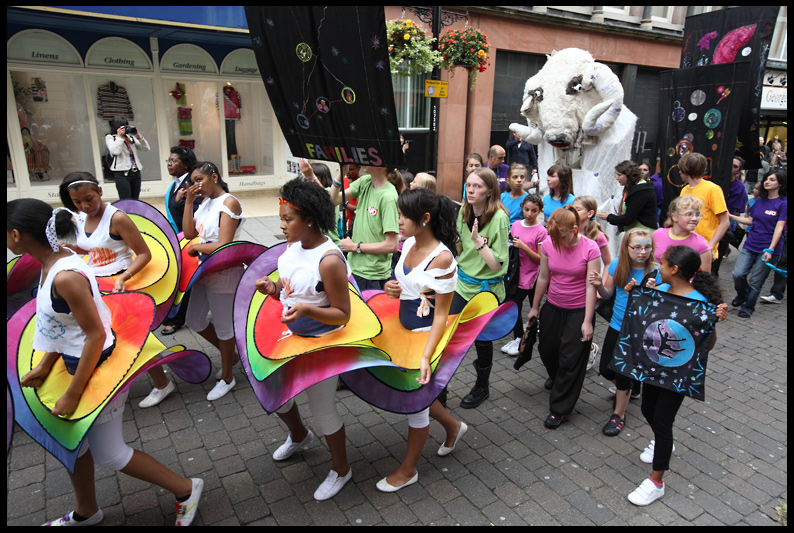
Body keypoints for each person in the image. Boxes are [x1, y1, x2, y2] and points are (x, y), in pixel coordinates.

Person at [8, 199, 202, 526]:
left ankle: (186, 488)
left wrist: (72, 392)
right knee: (74, 442)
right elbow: (60, 324)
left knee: (110, 453)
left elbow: (94, 336)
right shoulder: (57, 260)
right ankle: (86, 511)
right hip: (75, 360)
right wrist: (44, 365)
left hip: (100, 366)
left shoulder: (64, 275)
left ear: (15, 235)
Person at [254, 178, 354, 501]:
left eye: (287, 219)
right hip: (292, 334)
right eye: (281, 218)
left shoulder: (329, 260)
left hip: (322, 340)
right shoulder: (292, 246)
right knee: (275, 392)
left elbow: (342, 313)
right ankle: (299, 435)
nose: (281, 225)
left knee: (323, 409)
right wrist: (275, 292)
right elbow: (293, 292)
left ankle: (341, 469)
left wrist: (307, 313)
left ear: (309, 218)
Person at [57, 172, 176, 409]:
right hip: (95, 285)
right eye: (77, 202)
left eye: (89, 199)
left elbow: (144, 253)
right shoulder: (80, 217)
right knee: (108, 338)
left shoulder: (117, 218)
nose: (84, 206)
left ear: (100, 191)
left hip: (121, 286)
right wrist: (71, 248)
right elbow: (94, 249)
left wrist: (125, 276)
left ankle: (162, 383)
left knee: (132, 338)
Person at [378, 188, 468, 492]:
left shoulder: (442, 259)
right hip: (401, 331)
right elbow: (408, 288)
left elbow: (441, 315)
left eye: (404, 216)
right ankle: (454, 427)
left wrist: (426, 356)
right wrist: (393, 289)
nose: (398, 221)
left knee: (414, 402)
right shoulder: (407, 245)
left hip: (425, 338)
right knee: (418, 398)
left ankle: (409, 470)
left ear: (425, 218)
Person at [626, 245, 727, 506]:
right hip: (652, 369)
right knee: (648, 410)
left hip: (678, 375)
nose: (658, 266)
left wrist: (714, 322)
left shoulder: (701, 304)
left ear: (674, 270)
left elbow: (708, 344)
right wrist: (635, 296)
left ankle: (656, 481)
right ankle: (663, 443)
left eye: (662, 263)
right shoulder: (660, 291)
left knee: (662, 421)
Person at [528, 206, 600, 428]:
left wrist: (587, 321)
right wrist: (535, 307)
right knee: (547, 349)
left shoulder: (591, 248)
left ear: (575, 229)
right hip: (553, 306)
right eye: (553, 235)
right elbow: (543, 277)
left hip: (579, 310)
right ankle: (559, 379)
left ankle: (559, 409)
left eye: (562, 235)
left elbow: (591, 287)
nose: (558, 240)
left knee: (570, 360)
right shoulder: (550, 244)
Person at [182, 161, 246, 400]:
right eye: (193, 182)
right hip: (204, 270)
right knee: (193, 319)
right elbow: (189, 233)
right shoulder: (205, 203)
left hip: (225, 271)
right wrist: (189, 202)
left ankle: (228, 376)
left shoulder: (229, 202)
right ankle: (233, 358)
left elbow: (224, 245)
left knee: (223, 327)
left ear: (214, 177)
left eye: (200, 180)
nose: (196, 185)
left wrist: (197, 247)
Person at [589, 228, 659, 436]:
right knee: (606, 369)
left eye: (647, 247)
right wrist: (600, 285)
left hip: (639, 331)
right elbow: (608, 294)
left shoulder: (657, 271)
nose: (642, 251)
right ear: (626, 247)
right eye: (636, 247)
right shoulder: (618, 264)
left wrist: (651, 293)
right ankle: (632, 386)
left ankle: (619, 415)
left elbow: (662, 307)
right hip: (616, 325)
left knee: (622, 372)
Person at [454, 167, 510, 408]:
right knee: (448, 333)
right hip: (461, 283)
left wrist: (479, 243)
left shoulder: (499, 218)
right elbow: (459, 249)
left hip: (486, 290)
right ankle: (440, 386)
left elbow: (496, 265)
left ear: (489, 192)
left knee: (482, 340)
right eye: (468, 185)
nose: (471, 190)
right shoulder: (464, 211)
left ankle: (482, 386)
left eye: (477, 186)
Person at [329, 166, 400, 290]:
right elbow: (332, 200)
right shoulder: (365, 181)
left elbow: (392, 245)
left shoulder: (388, 197)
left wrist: (355, 246)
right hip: (353, 268)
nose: (363, 162)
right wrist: (341, 173)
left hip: (371, 275)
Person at [729, 170, 787, 318]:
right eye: (766, 179)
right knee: (738, 274)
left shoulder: (783, 203)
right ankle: (743, 295)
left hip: (768, 248)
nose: (767, 182)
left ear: (780, 183)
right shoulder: (759, 200)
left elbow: (779, 228)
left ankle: (748, 307)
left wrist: (771, 250)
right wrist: (730, 216)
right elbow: (751, 220)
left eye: (772, 179)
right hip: (750, 244)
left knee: (756, 281)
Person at [161, 145, 201, 336]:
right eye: (168, 161)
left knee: (184, 282)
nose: (169, 164)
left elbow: (196, 214)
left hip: (189, 240)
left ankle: (177, 318)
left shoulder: (191, 183)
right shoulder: (176, 183)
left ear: (186, 164)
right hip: (177, 239)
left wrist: (181, 201)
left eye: (174, 161)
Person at [502, 194, 547, 356]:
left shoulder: (541, 231)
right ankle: (519, 337)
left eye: (534, 210)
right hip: (516, 274)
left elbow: (541, 259)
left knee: (530, 307)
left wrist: (525, 247)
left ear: (540, 211)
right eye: (526, 209)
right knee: (514, 306)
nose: (529, 213)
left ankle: (525, 338)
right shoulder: (516, 226)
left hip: (532, 276)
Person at [572, 195, 611, 371]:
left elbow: (609, 262)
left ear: (590, 213)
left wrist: (600, 286)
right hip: (572, 285)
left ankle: (590, 348)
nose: (574, 212)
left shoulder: (597, 235)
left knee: (583, 322)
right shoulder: (569, 231)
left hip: (589, 288)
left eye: (578, 209)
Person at [677, 152, 729, 262]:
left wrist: (709, 246)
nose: (679, 172)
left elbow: (725, 222)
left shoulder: (713, 189)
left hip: (703, 250)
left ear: (687, 170)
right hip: (685, 248)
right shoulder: (684, 190)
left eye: (681, 168)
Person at [652, 196, 713, 274]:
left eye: (697, 215)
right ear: (674, 217)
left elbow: (704, 279)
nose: (694, 218)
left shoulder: (701, 244)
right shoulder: (658, 235)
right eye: (689, 214)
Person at [596, 160, 658, 232]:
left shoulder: (640, 191)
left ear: (629, 175)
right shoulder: (635, 187)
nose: (616, 178)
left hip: (642, 234)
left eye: (619, 175)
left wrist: (609, 217)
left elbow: (628, 219)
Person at [713, 156, 749, 276]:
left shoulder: (739, 187)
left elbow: (736, 211)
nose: (731, 168)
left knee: (715, 262)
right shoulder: (715, 181)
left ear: (738, 170)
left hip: (723, 226)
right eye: (730, 164)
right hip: (707, 224)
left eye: (735, 166)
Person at [105, 118, 150, 200]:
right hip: (122, 174)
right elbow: (115, 151)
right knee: (125, 200)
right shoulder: (110, 137)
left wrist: (139, 136)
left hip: (135, 172)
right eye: (122, 127)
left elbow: (146, 148)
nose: (125, 129)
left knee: (135, 199)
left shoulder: (130, 138)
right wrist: (119, 137)